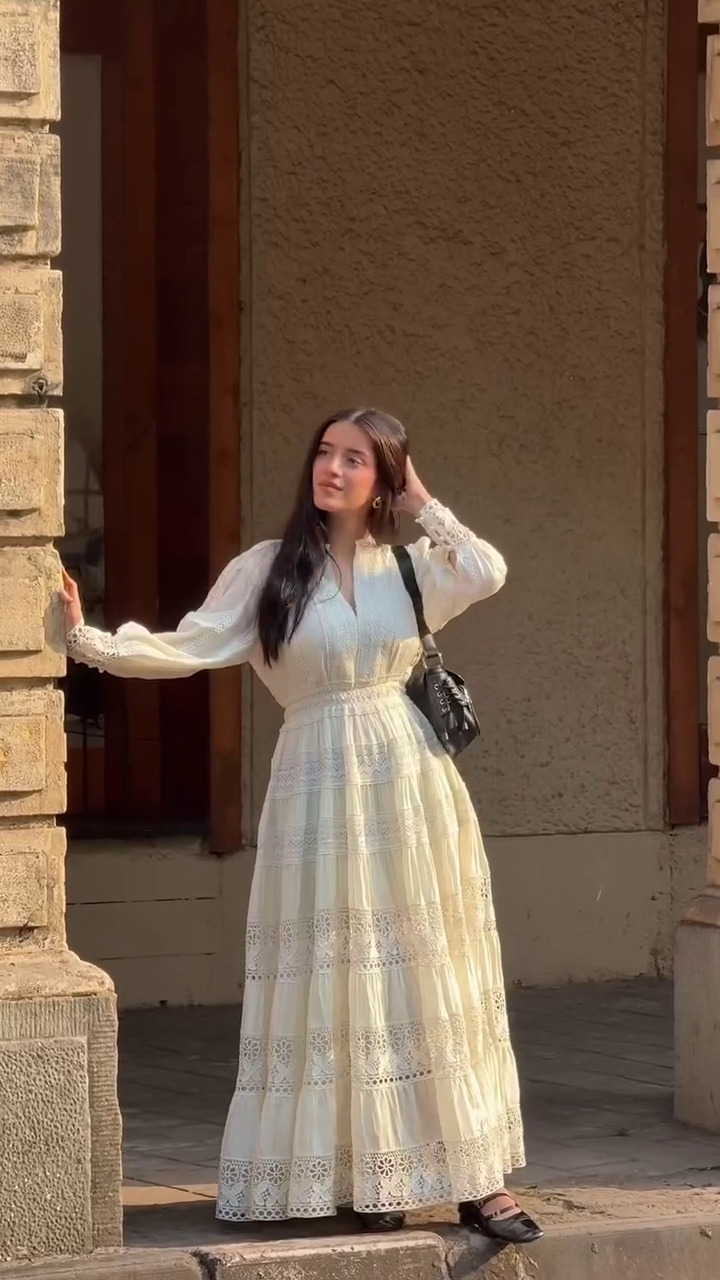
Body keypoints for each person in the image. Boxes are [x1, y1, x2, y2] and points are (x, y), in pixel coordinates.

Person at [61, 408, 541, 1243]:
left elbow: (489, 568)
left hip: (410, 789)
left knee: (430, 972)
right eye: (325, 452)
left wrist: (421, 496)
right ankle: (367, 1173)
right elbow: (192, 645)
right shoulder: (267, 571)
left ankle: (477, 1180)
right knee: (334, 974)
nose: (332, 468)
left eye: (356, 459)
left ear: (383, 478)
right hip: (316, 789)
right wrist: (85, 641)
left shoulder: (412, 568)